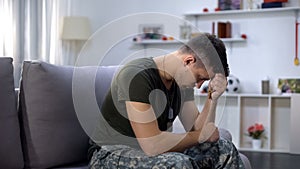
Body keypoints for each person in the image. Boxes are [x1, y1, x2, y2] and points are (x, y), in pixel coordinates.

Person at [88, 33, 245, 168]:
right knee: (178, 163)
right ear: (188, 61)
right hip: (109, 154)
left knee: (224, 149)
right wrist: (200, 136)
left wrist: (213, 96)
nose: (198, 86)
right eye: (199, 78)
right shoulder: (137, 75)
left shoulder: (181, 82)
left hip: (151, 152)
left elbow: (197, 128)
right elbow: (152, 145)